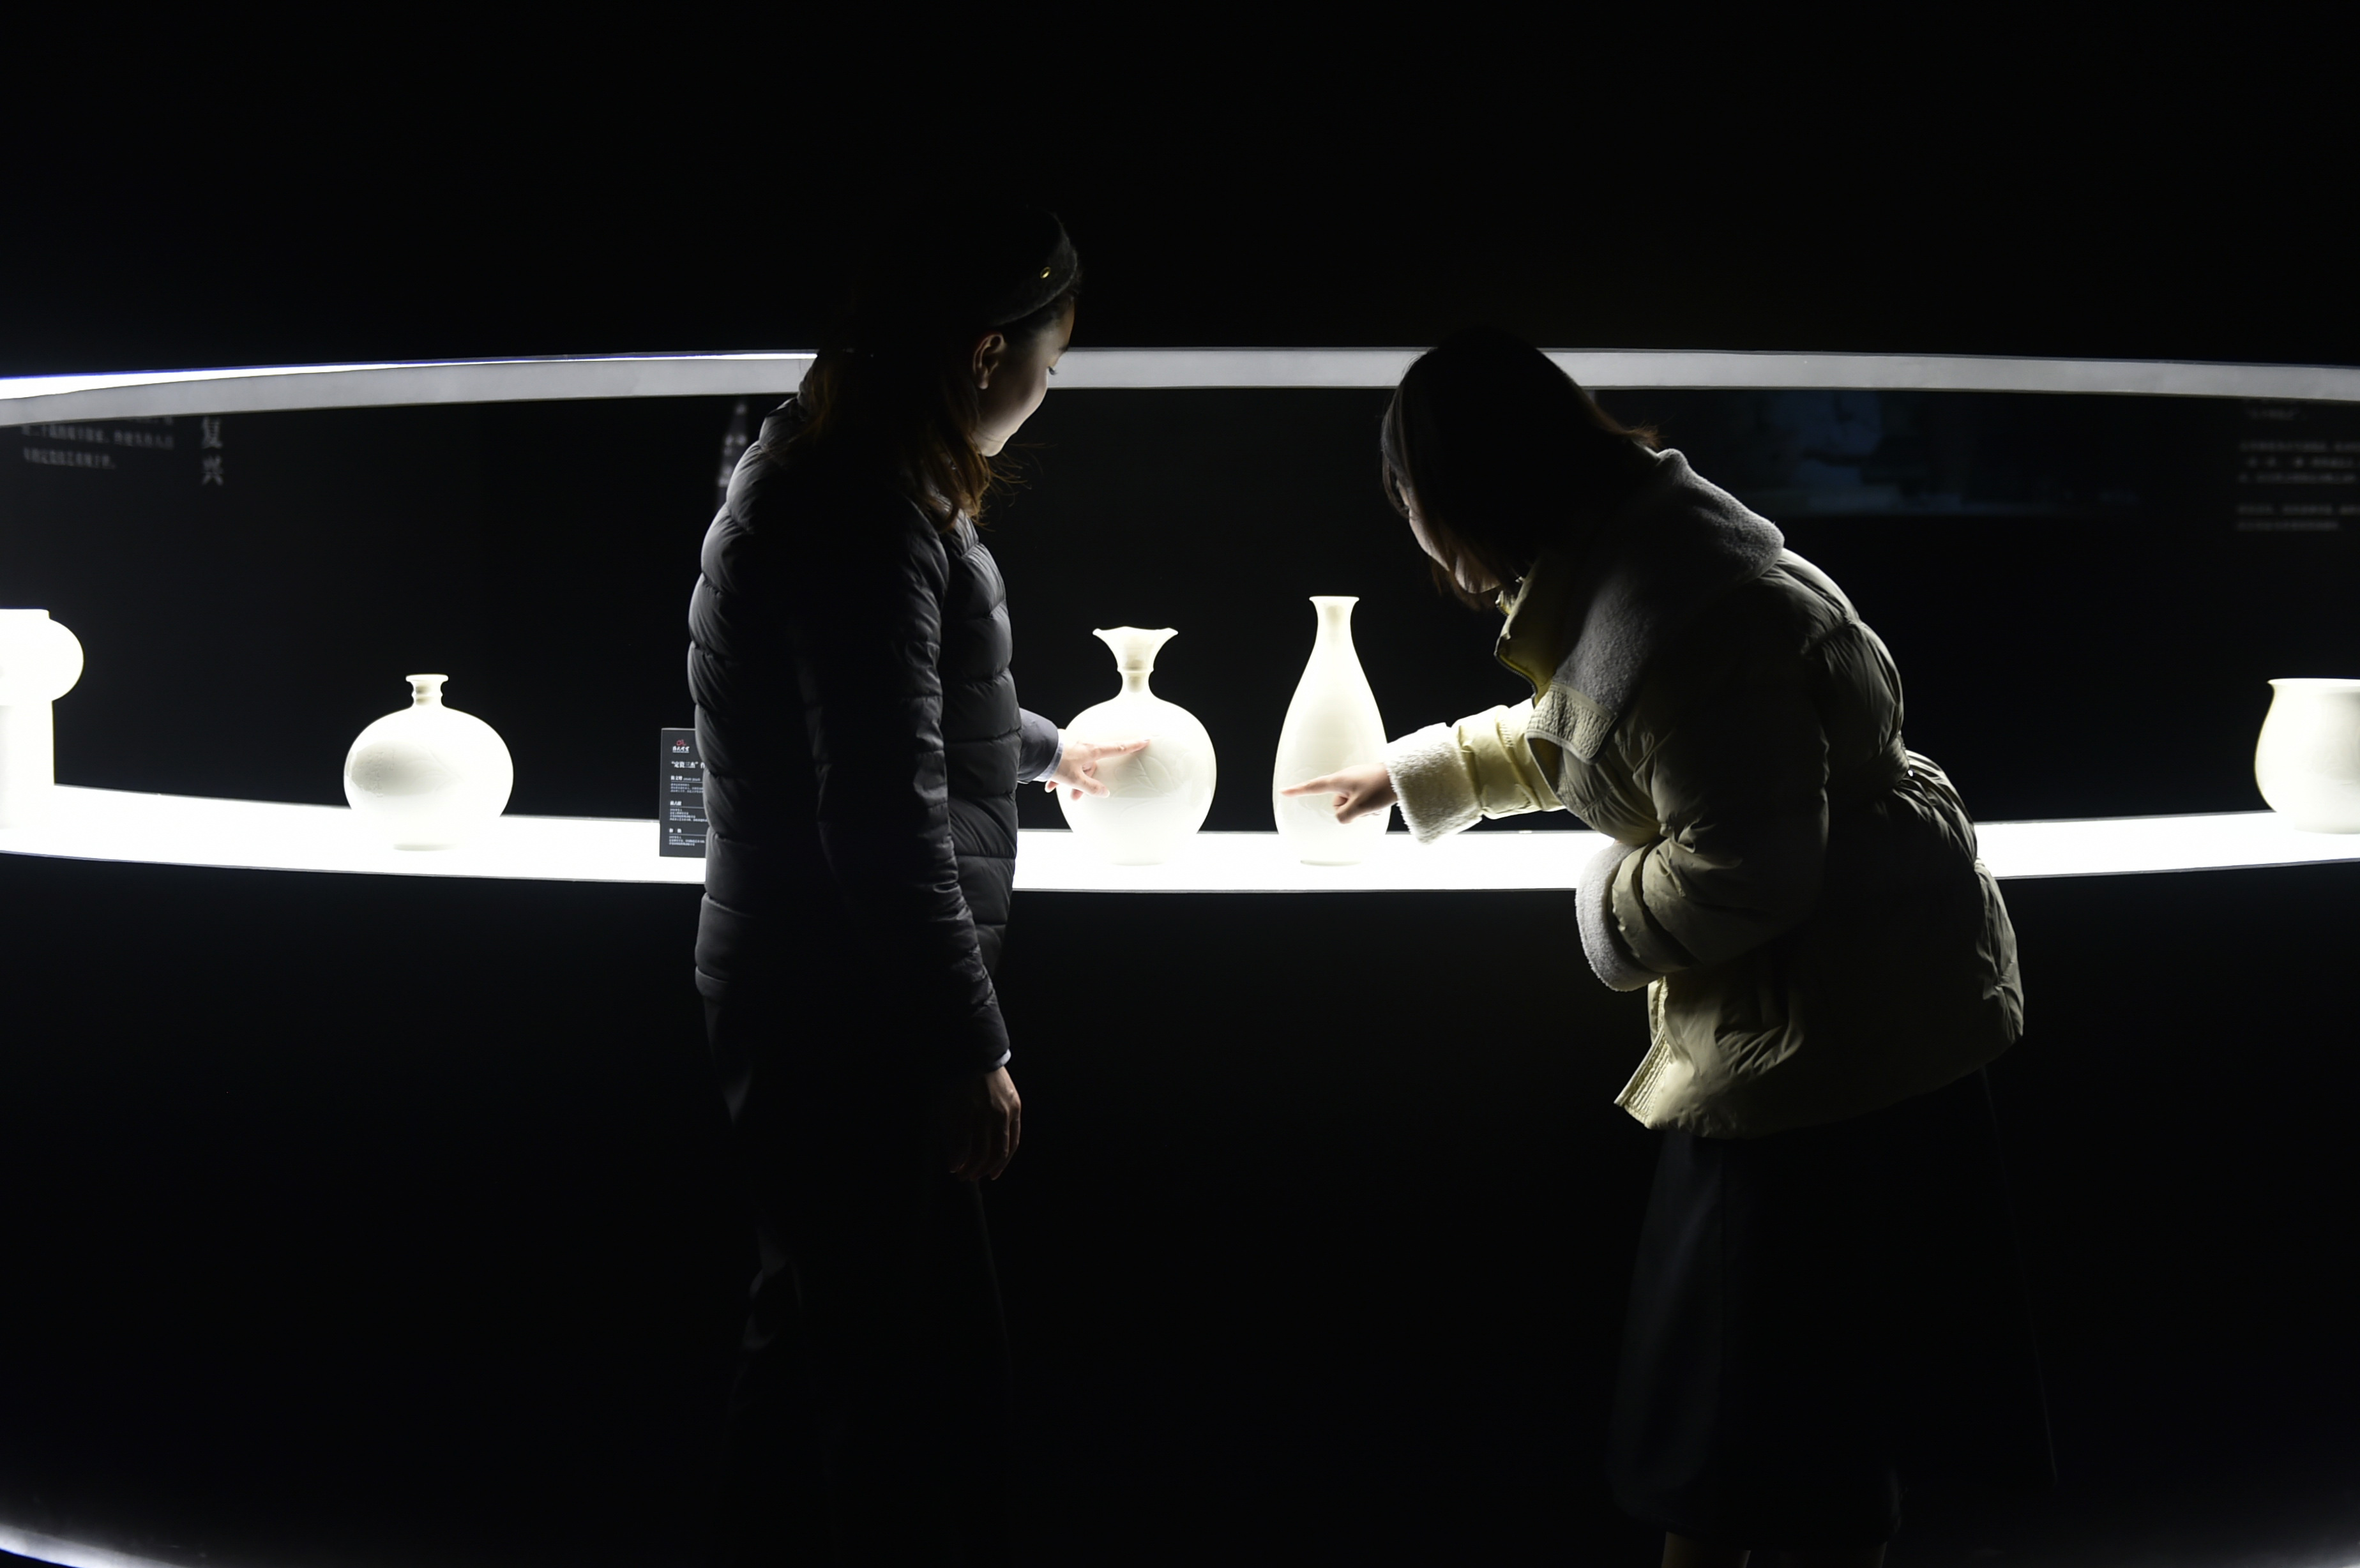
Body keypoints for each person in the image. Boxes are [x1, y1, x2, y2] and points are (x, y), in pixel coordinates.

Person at [1283, 328, 2056, 1567]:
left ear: (1463, 492)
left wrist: (1602, 899)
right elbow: (1597, 724)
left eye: (1411, 497)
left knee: (1761, 1431)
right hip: (1845, 1019)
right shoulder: (1649, 561)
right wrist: (1423, 775)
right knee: (1793, 1426)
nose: (1417, 530)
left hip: (1822, 1052)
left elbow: (1742, 870)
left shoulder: (1687, 615)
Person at [686, 208, 1141, 1567]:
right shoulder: (862, 504)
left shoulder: (831, 469)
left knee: (819, 1344)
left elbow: (877, 708)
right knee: (890, 1383)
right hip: (851, 1008)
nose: (1043, 394)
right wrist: (967, 1044)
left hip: (811, 985)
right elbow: (879, 809)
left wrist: (1044, 749)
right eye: (1048, 367)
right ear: (987, 352)